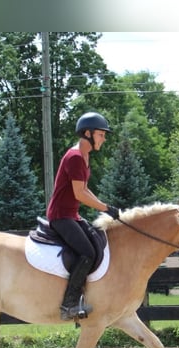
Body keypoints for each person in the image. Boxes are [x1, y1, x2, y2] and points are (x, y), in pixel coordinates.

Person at [47, 111, 120, 321]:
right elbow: (79, 194)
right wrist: (105, 208)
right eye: (101, 134)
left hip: (72, 215)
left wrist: (104, 206)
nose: (104, 139)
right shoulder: (76, 157)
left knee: (95, 241)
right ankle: (69, 304)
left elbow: (85, 190)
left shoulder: (84, 156)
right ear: (87, 133)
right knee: (87, 252)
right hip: (61, 216)